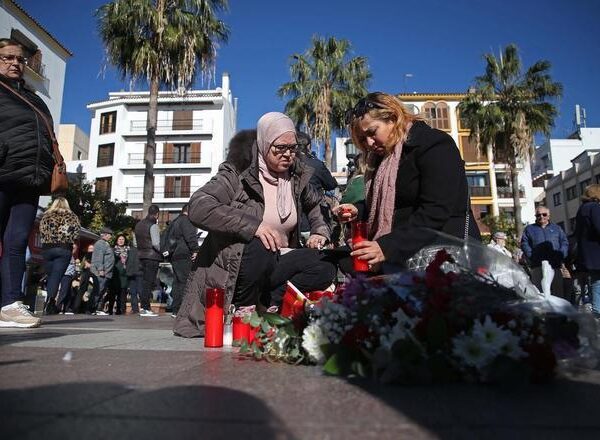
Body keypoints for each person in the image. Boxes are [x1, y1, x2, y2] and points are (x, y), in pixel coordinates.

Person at [174, 116, 336, 338]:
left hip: (278, 258)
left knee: (325, 266)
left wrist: (319, 231)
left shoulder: (297, 175)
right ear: (263, 143)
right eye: (280, 148)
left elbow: (316, 204)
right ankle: (241, 312)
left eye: (293, 148)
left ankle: (271, 306)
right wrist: (253, 226)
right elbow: (199, 207)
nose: (288, 154)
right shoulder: (236, 173)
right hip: (238, 263)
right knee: (261, 244)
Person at [336, 92, 480, 272]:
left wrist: (386, 247)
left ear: (393, 117)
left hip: (443, 254)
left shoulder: (434, 144)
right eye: (363, 140)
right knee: (331, 260)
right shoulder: (383, 160)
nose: (369, 143)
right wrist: (358, 210)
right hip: (405, 253)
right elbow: (385, 206)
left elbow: (435, 211)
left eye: (372, 133)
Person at [0, 38, 56, 328]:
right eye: (7, 57)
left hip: (29, 179)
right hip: (2, 172)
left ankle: (10, 304)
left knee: (17, 242)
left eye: (20, 60)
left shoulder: (34, 98)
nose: (15, 63)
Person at [39, 197, 80, 315]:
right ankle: (50, 302)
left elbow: (41, 230)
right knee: (56, 276)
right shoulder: (72, 216)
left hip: (48, 248)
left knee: (51, 275)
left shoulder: (46, 215)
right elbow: (76, 233)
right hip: (63, 248)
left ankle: (49, 301)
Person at [521, 206, 569, 297]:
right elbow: (524, 243)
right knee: (539, 294)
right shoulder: (529, 229)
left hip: (555, 265)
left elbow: (564, 242)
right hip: (537, 265)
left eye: (544, 214)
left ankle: (558, 311)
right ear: (535, 216)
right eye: (538, 215)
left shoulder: (557, 228)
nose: (541, 216)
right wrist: (531, 255)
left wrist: (561, 254)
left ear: (549, 215)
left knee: (558, 293)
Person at [297, 132, 338, 238]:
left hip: (294, 225)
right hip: (316, 224)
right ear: (308, 146)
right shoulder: (316, 164)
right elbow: (331, 185)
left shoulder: (285, 165)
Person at [169, 204, 199, 317]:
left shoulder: (175, 221)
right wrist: (195, 250)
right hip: (184, 254)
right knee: (185, 282)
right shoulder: (186, 221)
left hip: (175, 255)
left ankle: (175, 309)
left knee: (177, 282)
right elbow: (190, 236)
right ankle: (182, 310)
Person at [575, 184, 600, 316]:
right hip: (597, 253)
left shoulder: (582, 209)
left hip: (589, 256)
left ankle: (597, 312)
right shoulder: (595, 208)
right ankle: (597, 312)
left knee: (596, 283)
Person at [134, 205, 161, 317]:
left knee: (144, 282)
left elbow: (135, 243)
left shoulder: (138, 225)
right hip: (152, 256)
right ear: (157, 214)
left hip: (141, 256)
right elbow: (156, 243)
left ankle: (144, 307)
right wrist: (163, 251)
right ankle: (146, 308)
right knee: (149, 282)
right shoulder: (153, 225)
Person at [90, 227, 115, 315]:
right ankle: (92, 308)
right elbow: (98, 257)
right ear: (104, 234)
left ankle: (97, 308)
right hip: (101, 272)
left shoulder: (105, 244)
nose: (110, 237)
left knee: (102, 290)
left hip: (107, 272)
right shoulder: (100, 243)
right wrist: (101, 269)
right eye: (109, 235)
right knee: (98, 290)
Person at [108, 234, 129, 315]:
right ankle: (110, 309)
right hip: (114, 273)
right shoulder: (112, 250)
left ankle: (120, 310)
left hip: (124, 274)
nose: (121, 241)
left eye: (122, 239)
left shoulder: (128, 250)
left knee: (122, 293)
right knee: (112, 293)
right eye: (119, 239)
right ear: (116, 240)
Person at [126, 235, 142, 314]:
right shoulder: (130, 249)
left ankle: (142, 308)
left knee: (139, 291)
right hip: (132, 273)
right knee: (133, 292)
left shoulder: (139, 250)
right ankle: (135, 309)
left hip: (138, 273)